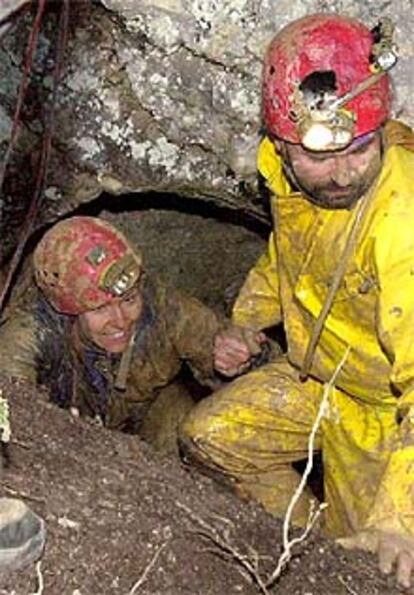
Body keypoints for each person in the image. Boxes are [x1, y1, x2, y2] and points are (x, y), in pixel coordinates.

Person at [180, 13, 414, 588]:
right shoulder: (284, 172)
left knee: (373, 563)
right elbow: (289, 251)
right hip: (320, 378)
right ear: (281, 145)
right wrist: (247, 319)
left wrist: (400, 515)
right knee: (210, 438)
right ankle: (307, 547)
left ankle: (334, 560)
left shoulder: (402, 226)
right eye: (317, 157)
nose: (339, 174)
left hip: (388, 414)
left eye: (359, 149)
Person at [0, 216, 267, 454]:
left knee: (175, 410)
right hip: (66, 450)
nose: (121, 321)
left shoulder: (161, 307)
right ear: (69, 311)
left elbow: (261, 367)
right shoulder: (27, 336)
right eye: (100, 308)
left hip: (137, 432)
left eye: (128, 299)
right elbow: (11, 417)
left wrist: (246, 356)